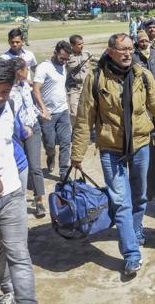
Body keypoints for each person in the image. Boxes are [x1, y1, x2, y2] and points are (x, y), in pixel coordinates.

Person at [71, 33, 155, 276]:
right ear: (110, 51)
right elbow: (83, 118)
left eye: (130, 49)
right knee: (121, 201)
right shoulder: (96, 78)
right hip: (111, 149)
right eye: (122, 49)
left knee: (140, 195)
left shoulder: (142, 75)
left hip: (141, 144)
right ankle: (131, 253)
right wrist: (77, 154)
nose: (128, 53)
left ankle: (137, 226)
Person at [0, 58, 37, 303]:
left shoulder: (10, 105)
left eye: (4, 91)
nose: (0, 97)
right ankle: (8, 289)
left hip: (11, 195)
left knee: (19, 255)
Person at [9, 58, 46, 218]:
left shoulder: (26, 86)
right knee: (20, 168)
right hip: (16, 133)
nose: (28, 72)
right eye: (26, 70)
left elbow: (29, 107)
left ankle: (39, 201)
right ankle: (19, 202)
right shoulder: (7, 89)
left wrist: (42, 113)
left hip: (34, 129)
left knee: (35, 166)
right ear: (19, 71)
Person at [32, 41, 72, 179]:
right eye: (62, 58)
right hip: (47, 114)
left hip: (63, 111)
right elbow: (36, 90)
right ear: (55, 53)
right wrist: (44, 110)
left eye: (67, 59)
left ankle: (63, 171)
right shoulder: (44, 67)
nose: (64, 61)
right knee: (49, 143)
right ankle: (50, 156)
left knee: (66, 141)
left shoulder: (63, 66)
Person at [66, 35, 97, 126]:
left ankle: (86, 130)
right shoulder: (67, 56)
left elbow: (99, 60)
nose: (82, 45)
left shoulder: (87, 54)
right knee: (74, 113)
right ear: (72, 45)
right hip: (74, 88)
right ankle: (73, 130)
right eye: (79, 44)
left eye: (82, 43)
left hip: (87, 87)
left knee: (89, 110)